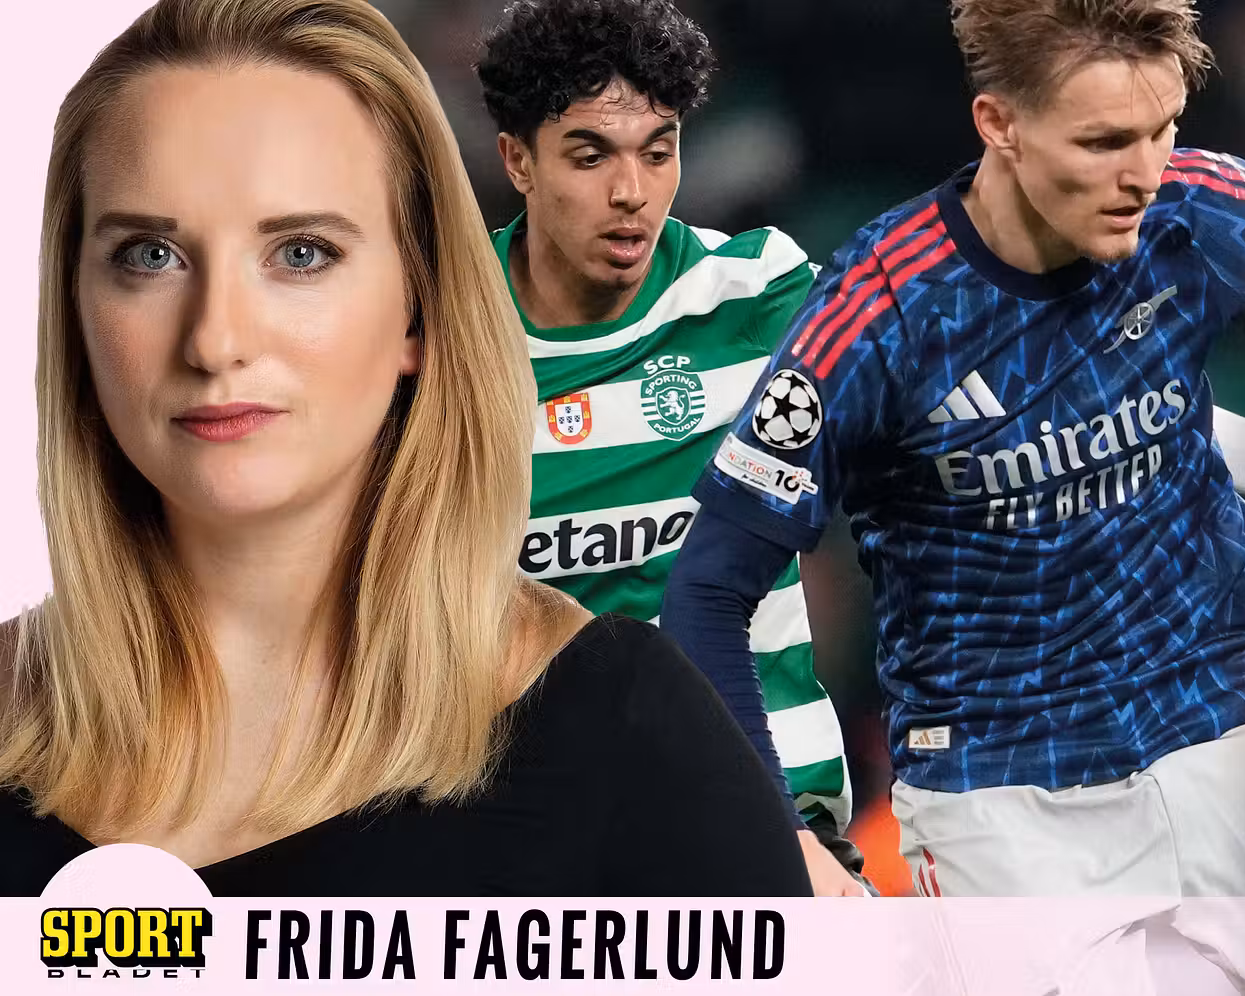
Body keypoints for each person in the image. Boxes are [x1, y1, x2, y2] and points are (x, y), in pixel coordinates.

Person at [663, 0, 1245, 989]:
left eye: (1162, 129)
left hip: (1233, 732)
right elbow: (707, 591)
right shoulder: (879, 315)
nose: (1143, 173)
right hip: (1009, 808)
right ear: (998, 123)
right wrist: (780, 838)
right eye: (1102, 142)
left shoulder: (1191, 203)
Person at [0, 0, 807, 898]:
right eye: (150, 255)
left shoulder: (629, 728)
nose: (215, 340)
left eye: (301, 253)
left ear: (418, 307)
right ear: (73, 302)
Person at [473, 0, 867, 897]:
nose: (633, 193)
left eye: (658, 152)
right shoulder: (443, 336)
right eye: (590, 156)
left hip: (775, 833)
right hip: (536, 854)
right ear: (518, 161)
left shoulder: (758, 293)